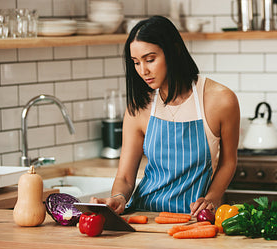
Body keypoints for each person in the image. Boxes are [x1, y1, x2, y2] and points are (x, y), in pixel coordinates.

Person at [90, 15, 240, 216]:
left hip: (193, 219)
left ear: (174, 51)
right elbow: (125, 178)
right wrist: (118, 198)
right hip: (144, 215)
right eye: (136, 62)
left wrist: (211, 199)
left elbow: (228, 161)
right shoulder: (139, 107)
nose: (143, 71)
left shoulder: (220, 100)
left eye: (150, 59)